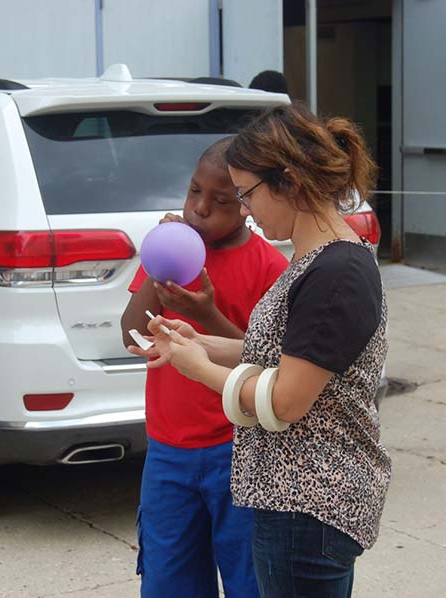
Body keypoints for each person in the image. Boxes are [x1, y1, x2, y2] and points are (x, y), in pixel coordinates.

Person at [130, 103, 391, 598]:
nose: (246, 210)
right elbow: (277, 354)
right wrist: (198, 340)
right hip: (291, 501)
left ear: (288, 182)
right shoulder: (314, 261)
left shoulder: (336, 273)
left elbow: (284, 400)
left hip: (308, 504)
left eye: (247, 195)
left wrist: (199, 367)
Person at [121, 137, 288, 598]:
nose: (198, 209)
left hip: (238, 452)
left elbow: (268, 361)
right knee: (168, 580)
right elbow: (130, 334)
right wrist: (156, 275)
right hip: (168, 452)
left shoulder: (269, 267)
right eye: (193, 192)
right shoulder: (169, 256)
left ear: (248, 205)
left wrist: (208, 313)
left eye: (219, 200)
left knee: (248, 579)